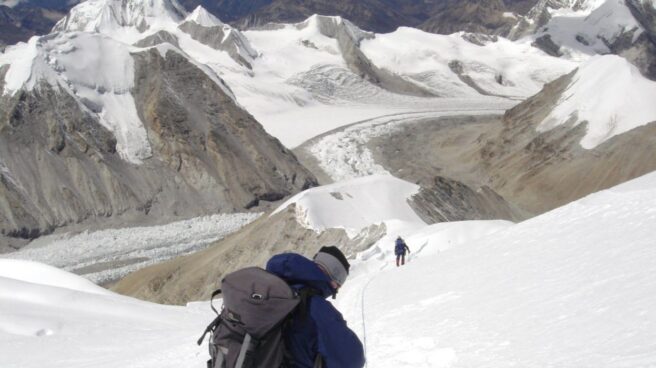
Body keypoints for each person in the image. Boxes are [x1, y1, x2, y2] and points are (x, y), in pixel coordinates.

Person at [265, 246, 366, 368]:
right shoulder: (316, 306)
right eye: (339, 283)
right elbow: (353, 359)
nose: (337, 289)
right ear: (333, 276)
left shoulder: (270, 290)